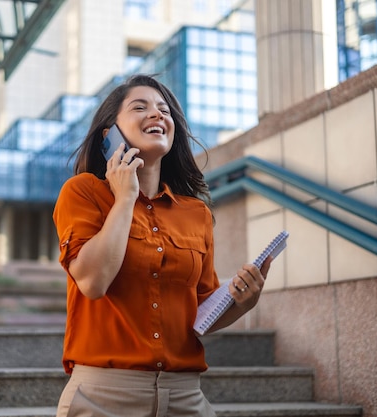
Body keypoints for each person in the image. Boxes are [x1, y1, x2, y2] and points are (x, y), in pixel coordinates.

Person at [53, 74, 272, 417]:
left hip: (185, 396)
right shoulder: (83, 193)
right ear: (109, 136)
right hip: (103, 398)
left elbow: (200, 312)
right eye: (140, 107)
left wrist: (242, 302)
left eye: (164, 110)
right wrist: (125, 198)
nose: (157, 115)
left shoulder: (196, 212)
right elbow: (93, 282)